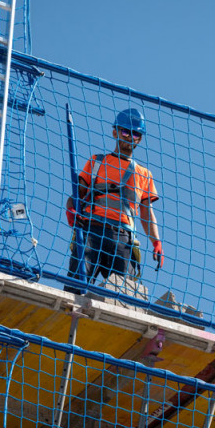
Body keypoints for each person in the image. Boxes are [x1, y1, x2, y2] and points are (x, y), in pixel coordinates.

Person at [64, 108, 163, 294]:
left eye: (135, 134)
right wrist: (70, 210)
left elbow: (146, 212)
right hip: (91, 231)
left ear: (139, 138)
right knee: (76, 287)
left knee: (123, 296)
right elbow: (77, 194)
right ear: (115, 132)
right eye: (125, 131)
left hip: (122, 237)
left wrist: (156, 242)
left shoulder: (144, 174)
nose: (130, 137)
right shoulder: (97, 162)